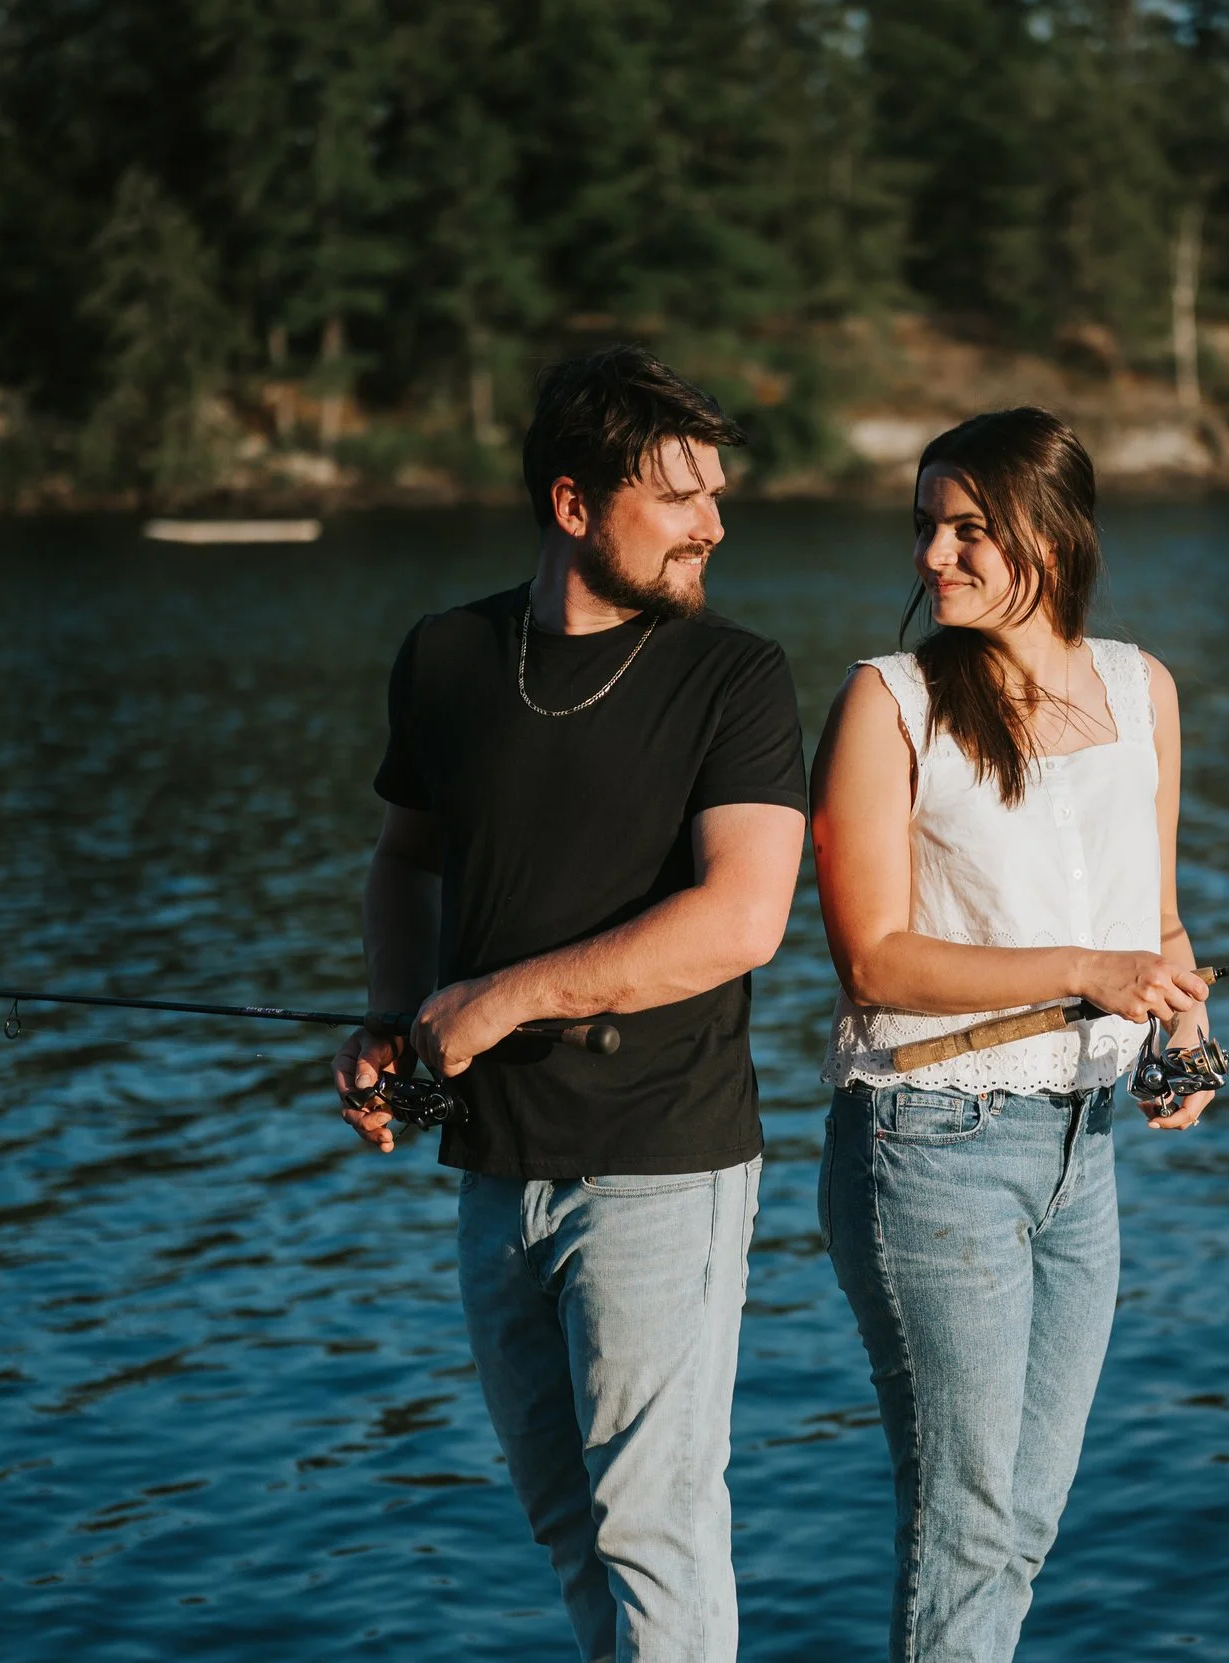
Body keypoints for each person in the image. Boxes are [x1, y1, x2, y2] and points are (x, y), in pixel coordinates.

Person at [331, 346, 807, 1663]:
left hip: (663, 1155)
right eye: (678, 497)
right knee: (569, 1528)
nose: (714, 522)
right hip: (493, 1166)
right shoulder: (446, 656)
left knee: (654, 1530)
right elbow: (404, 859)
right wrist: (393, 1017)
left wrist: (493, 1000)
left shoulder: (737, 678)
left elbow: (744, 916)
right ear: (572, 503)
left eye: (716, 491)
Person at [810, 407, 1217, 1662]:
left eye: (969, 528)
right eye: (927, 527)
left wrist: (1185, 1032)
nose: (934, 556)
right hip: (929, 1144)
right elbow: (874, 961)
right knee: (969, 1527)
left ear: (1054, 532)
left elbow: (1155, 921)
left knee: (1021, 1523)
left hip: (1081, 1151)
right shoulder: (889, 703)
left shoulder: (1143, 691)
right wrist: (1088, 972)